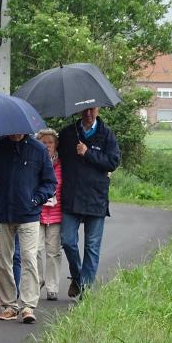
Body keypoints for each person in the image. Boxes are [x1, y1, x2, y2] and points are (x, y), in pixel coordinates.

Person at [0, 132, 56, 324]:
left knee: (29, 258)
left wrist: (36, 199)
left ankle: (28, 305)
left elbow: (50, 182)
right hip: (2, 213)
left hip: (29, 214)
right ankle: (10, 305)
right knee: (3, 261)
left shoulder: (38, 149)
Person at [58, 107, 121, 297]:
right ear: (78, 110)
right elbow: (57, 159)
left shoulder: (106, 134)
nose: (88, 113)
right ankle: (78, 277)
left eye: (92, 109)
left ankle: (85, 289)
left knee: (92, 246)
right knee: (68, 241)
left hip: (96, 197)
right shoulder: (68, 134)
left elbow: (113, 162)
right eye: (85, 109)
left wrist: (88, 153)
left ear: (98, 109)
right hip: (72, 196)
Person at [35, 128, 63, 301]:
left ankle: (52, 287)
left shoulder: (62, 165)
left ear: (55, 145)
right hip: (37, 213)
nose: (46, 146)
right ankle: (37, 281)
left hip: (56, 214)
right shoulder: (34, 163)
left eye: (50, 143)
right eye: (43, 143)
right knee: (35, 250)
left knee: (53, 252)